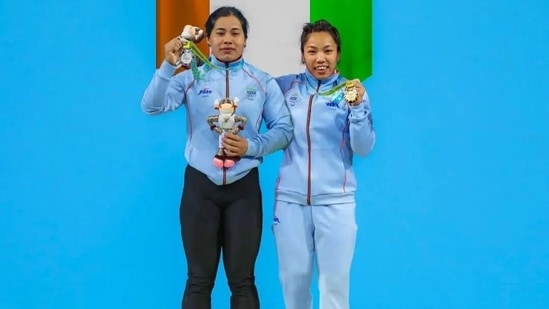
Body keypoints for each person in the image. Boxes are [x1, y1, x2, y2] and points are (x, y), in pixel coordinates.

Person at [140, 6, 294, 309]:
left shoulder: (262, 82)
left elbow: (285, 130)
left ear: (245, 39)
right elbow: (151, 106)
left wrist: (250, 147)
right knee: (198, 279)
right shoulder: (189, 78)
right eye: (220, 33)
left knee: (242, 280)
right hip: (200, 187)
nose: (228, 39)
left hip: (243, 190)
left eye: (235, 33)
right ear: (207, 40)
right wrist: (167, 67)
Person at [272, 19, 376, 309]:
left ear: (338, 54)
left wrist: (357, 109)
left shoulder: (352, 93)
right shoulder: (283, 88)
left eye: (328, 51)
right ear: (302, 54)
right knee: (293, 282)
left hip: (336, 202)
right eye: (313, 51)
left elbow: (364, 147)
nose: (321, 58)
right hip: (290, 202)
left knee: (334, 286)